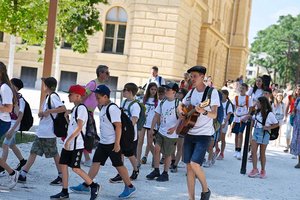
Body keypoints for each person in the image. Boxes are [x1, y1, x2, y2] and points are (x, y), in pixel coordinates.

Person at [70, 85, 136, 198]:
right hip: (104, 143)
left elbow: (118, 126)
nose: (96, 99)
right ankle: (87, 185)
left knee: (119, 165)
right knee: (96, 162)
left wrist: (117, 143)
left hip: (112, 143)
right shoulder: (104, 107)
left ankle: (129, 187)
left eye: (98, 97)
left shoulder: (112, 108)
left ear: (106, 96)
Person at [50, 85, 100, 200]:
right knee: (63, 165)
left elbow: (79, 127)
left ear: (78, 96)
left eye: (70, 94)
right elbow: (73, 126)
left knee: (75, 168)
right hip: (70, 143)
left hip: (76, 144)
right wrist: (67, 118)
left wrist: (69, 140)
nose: (68, 96)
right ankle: (64, 191)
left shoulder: (81, 108)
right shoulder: (76, 108)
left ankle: (93, 186)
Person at [178, 66, 220, 200]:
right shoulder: (190, 93)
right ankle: (191, 198)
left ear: (202, 77)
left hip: (204, 134)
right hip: (189, 132)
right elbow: (181, 104)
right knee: (189, 167)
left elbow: (214, 115)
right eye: (191, 76)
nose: (192, 79)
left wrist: (204, 111)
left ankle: (205, 190)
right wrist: (181, 112)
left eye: (195, 76)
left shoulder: (211, 93)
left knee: (195, 164)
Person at [18, 77, 66, 184]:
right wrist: (43, 113)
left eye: (44, 84)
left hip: (48, 132)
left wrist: (48, 111)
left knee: (54, 154)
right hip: (43, 131)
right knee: (33, 152)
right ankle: (23, 174)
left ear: (46, 86)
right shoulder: (49, 97)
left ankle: (62, 176)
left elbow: (62, 108)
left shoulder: (53, 96)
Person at [146, 82, 179, 182]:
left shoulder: (178, 104)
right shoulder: (162, 102)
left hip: (171, 134)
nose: (166, 91)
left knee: (167, 154)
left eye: (168, 90)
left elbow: (182, 118)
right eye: (165, 89)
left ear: (174, 92)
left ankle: (165, 173)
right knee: (156, 149)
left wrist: (175, 128)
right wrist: (152, 129)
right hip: (161, 130)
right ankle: (156, 170)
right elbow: (156, 115)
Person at [109, 83, 140, 183]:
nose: (123, 91)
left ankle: (135, 170)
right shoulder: (124, 102)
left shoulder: (135, 105)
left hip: (129, 134)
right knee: (120, 152)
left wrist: (126, 131)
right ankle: (120, 173)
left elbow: (134, 120)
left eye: (125, 90)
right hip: (122, 131)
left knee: (129, 154)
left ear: (130, 91)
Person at [81, 65, 110, 167]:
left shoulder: (100, 85)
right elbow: (83, 95)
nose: (108, 75)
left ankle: (84, 157)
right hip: (84, 112)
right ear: (101, 73)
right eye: (106, 72)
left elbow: (98, 102)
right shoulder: (93, 84)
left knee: (87, 135)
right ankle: (87, 158)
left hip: (90, 113)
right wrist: (79, 108)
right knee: (87, 135)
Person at [0, 78, 27, 176]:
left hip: (13, 124)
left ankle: (2, 168)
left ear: (15, 87)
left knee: (5, 145)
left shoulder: (20, 99)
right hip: (9, 122)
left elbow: (20, 116)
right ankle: (23, 161)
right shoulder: (11, 97)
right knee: (11, 144)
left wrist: (12, 130)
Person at [248, 96, 279, 178]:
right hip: (256, 132)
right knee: (253, 151)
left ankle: (263, 170)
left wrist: (269, 127)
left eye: (258, 102)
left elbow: (276, 123)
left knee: (262, 153)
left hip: (264, 133)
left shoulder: (269, 114)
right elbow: (253, 119)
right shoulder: (257, 112)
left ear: (262, 104)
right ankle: (255, 169)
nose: (256, 104)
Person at [0, 61, 19, 189]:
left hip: (2, 122)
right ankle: (12, 173)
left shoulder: (5, 88)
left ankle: (12, 173)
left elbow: (9, 108)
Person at [137, 82, 158, 167]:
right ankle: (137, 161)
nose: (153, 91)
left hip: (152, 124)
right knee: (140, 142)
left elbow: (158, 115)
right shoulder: (143, 99)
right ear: (148, 89)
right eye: (152, 89)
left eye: (155, 89)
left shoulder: (157, 101)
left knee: (149, 143)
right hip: (143, 123)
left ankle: (155, 157)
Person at [232, 83, 253, 160]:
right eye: (240, 88)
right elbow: (234, 107)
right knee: (236, 134)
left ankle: (239, 150)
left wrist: (247, 115)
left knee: (240, 133)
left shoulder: (248, 98)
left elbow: (250, 107)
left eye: (243, 88)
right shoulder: (236, 97)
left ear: (246, 89)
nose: (241, 89)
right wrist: (235, 114)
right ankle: (236, 149)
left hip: (243, 118)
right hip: (237, 118)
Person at [215, 89, 234, 160]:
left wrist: (225, 123)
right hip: (217, 121)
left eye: (222, 94)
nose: (221, 96)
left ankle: (222, 153)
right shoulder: (218, 102)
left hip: (223, 122)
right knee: (216, 137)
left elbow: (228, 114)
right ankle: (217, 148)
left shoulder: (228, 104)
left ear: (226, 95)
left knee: (222, 138)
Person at [290, 92, 300, 168]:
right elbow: (293, 111)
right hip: (297, 124)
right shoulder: (298, 99)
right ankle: (299, 162)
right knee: (298, 142)